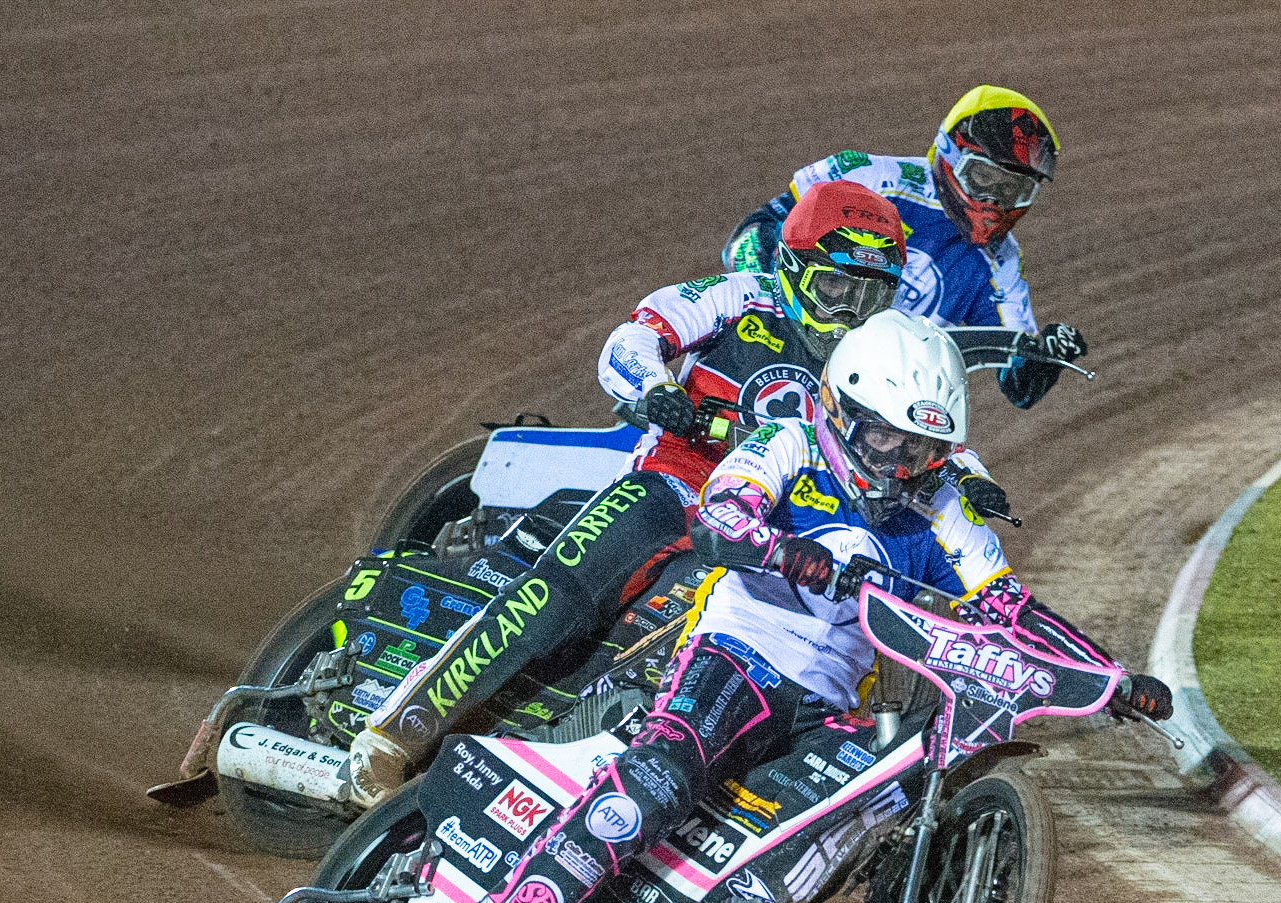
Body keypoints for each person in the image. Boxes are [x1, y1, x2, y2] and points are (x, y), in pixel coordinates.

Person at [419, 311, 1172, 903]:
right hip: (737, 652)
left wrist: (1110, 675)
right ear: (841, 410)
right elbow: (721, 516)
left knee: (856, 818)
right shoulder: (788, 441)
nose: (896, 464)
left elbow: (1006, 607)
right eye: (883, 437)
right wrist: (780, 549)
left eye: (917, 451)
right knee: (657, 779)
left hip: (829, 702)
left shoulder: (940, 501)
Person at [345, 180, 933, 806]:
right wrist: (656, 389)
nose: (851, 311)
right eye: (837, 287)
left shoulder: (885, 352)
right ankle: (393, 734)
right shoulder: (742, 297)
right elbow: (637, 335)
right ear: (793, 267)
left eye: (872, 293)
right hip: (678, 490)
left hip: (782, 535)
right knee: (560, 596)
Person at [722, 85, 1088, 439]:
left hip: (872, 418)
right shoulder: (868, 178)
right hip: (780, 356)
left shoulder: (1003, 263)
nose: (993, 200)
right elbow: (750, 237)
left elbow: (1020, 387)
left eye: (1012, 189)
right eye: (983, 178)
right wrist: (776, 308)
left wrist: (1047, 355)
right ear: (951, 155)